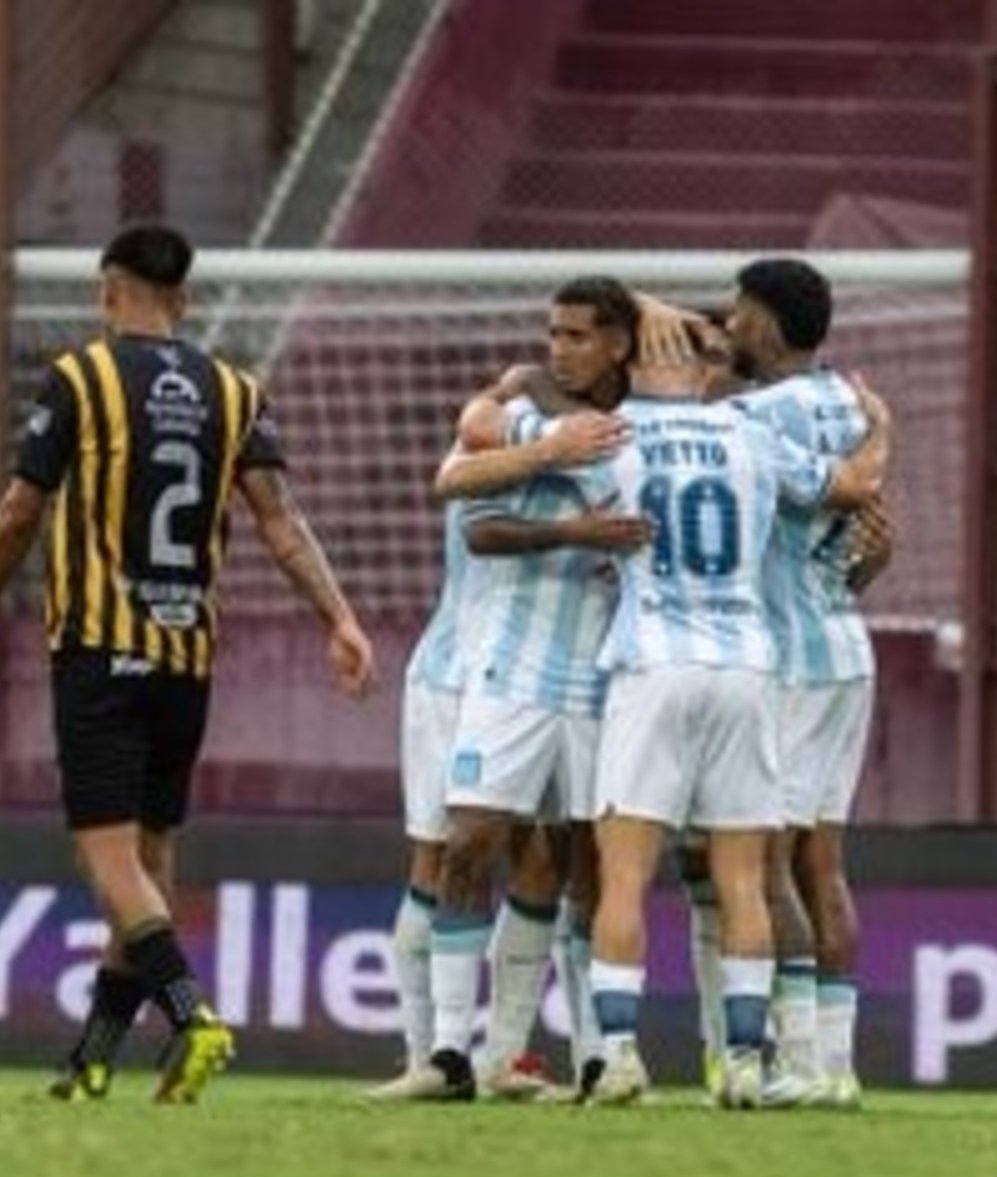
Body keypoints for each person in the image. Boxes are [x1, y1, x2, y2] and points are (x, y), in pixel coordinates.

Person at [0, 223, 374, 1104]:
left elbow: (20, 512)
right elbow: (280, 522)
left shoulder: (79, 379)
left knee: (107, 860)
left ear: (109, 290)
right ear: (183, 297)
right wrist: (339, 617)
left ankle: (191, 1016)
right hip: (186, 658)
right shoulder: (233, 389)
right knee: (151, 855)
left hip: (102, 652)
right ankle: (95, 1054)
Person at [573, 333, 890, 1108]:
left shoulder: (617, 429)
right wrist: (880, 426)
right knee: (746, 876)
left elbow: (495, 457)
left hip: (654, 661)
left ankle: (617, 1054)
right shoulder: (751, 434)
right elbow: (852, 486)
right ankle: (745, 1064)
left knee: (624, 874)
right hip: (747, 663)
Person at [417, 276, 651, 1101]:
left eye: (578, 336)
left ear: (620, 343)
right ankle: (449, 1051)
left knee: (587, 866)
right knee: (469, 840)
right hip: (512, 668)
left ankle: (594, 1056)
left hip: (602, 679)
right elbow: (474, 520)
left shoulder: (649, 422)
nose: (560, 350)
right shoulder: (529, 407)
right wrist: (570, 526)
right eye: (553, 334)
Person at [366, 402, 628, 1102]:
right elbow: (462, 462)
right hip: (456, 675)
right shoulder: (496, 434)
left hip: (553, 680)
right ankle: (428, 1053)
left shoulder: (619, 442)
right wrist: (544, 442)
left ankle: (505, 1055)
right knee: (446, 851)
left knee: (550, 859)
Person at [727, 257, 885, 1109]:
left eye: (740, 310)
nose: (728, 323)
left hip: (783, 657)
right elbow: (867, 523)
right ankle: (837, 1064)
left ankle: (796, 1061)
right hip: (844, 647)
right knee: (825, 861)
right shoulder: (853, 404)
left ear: (768, 320)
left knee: (766, 857)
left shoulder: (754, 416)